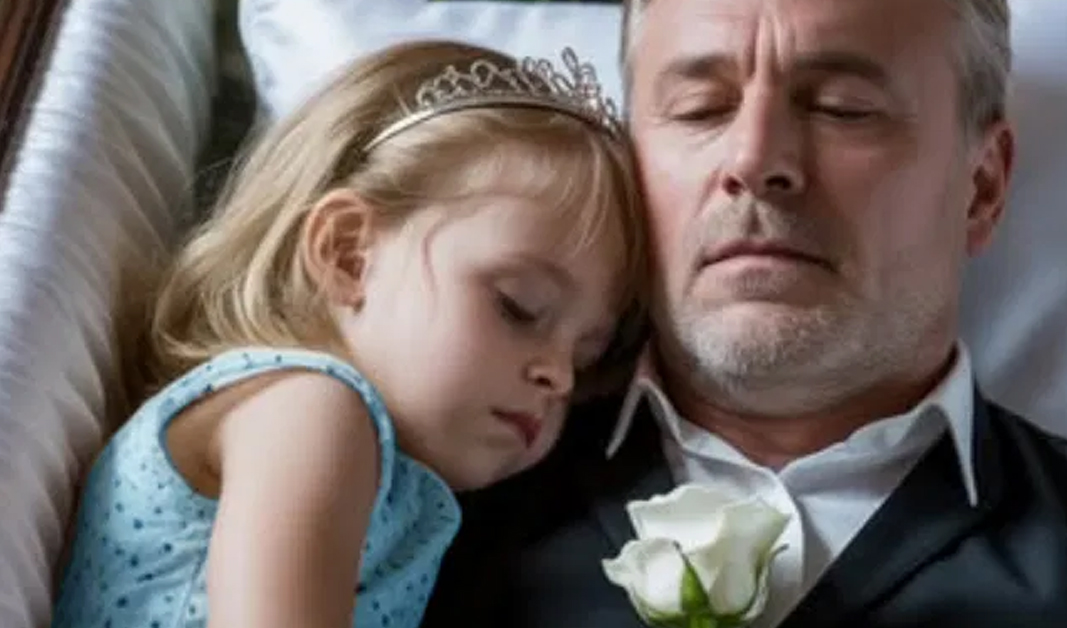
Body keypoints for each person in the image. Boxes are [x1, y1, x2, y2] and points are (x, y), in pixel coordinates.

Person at [420, 0, 1067, 627]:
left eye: (844, 109)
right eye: (699, 108)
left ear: (982, 187)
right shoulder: (425, 504)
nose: (755, 160)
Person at [50, 40, 647, 628]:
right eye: (518, 307)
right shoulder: (309, 410)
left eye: (586, 356)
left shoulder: (378, 471)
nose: (558, 376)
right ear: (348, 254)